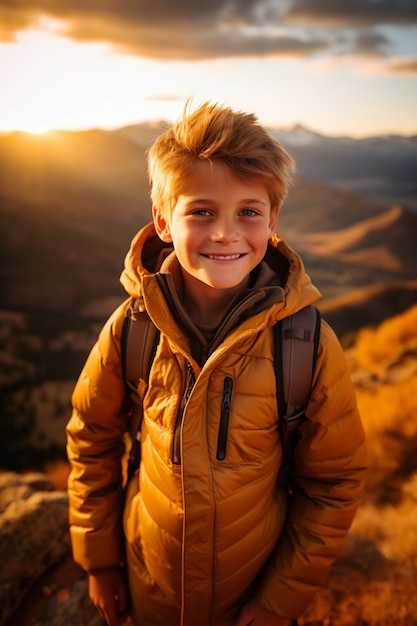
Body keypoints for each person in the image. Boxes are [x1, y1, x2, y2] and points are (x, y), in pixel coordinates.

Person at [66, 101, 367, 626]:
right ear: (163, 221)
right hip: (148, 587)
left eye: (248, 212)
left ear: (272, 220)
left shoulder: (306, 344)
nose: (225, 233)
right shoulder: (132, 328)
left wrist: (279, 602)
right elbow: (92, 438)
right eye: (201, 211)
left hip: (249, 598)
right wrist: (101, 561)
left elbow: (333, 484)